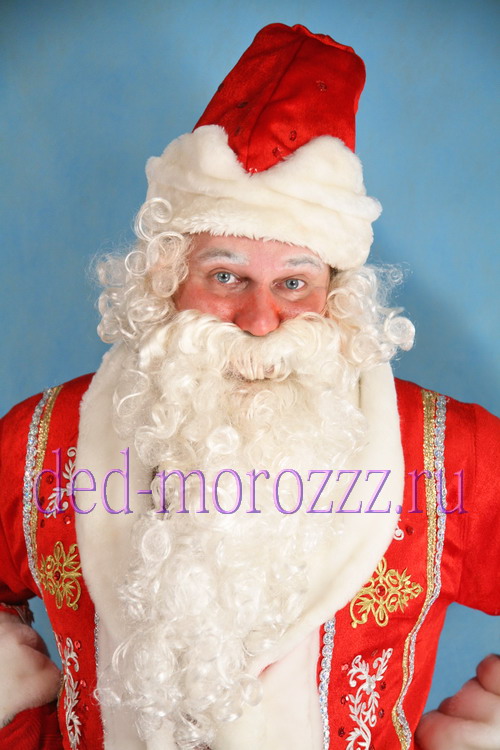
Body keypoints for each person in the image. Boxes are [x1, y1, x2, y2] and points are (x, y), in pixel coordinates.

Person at [0, 22, 499, 750]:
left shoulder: (454, 452)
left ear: (337, 295)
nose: (261, 320)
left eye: (294, 282)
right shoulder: (39, 443)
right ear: (167, 280)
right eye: (226, 276)